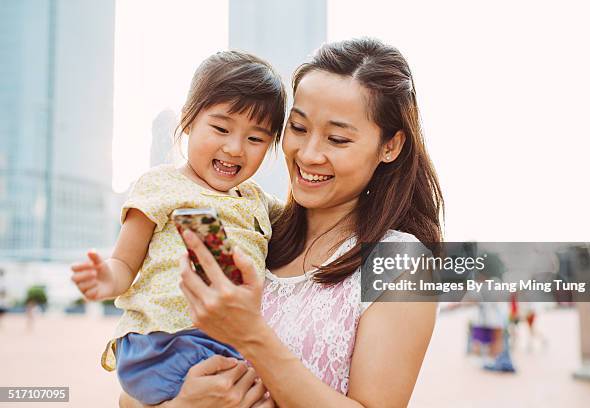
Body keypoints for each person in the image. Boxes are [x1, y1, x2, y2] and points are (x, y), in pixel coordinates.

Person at [122, 37, 443, 408]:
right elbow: (133, 386)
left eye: (337, 139)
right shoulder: (250, 229)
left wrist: (252, 335)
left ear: (390, 146)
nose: (308, 154)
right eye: (299, 128)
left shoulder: (402, 263)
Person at [71, 50, 286, 406]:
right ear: (188, 120)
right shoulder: (161, 186)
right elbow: (125, 263)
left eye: (255, 139)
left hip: (220, 342)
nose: (234, 148)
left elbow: (307, 221)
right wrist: (107, 279)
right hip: (163, 342)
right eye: (221, 128)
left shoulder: (257, 200)